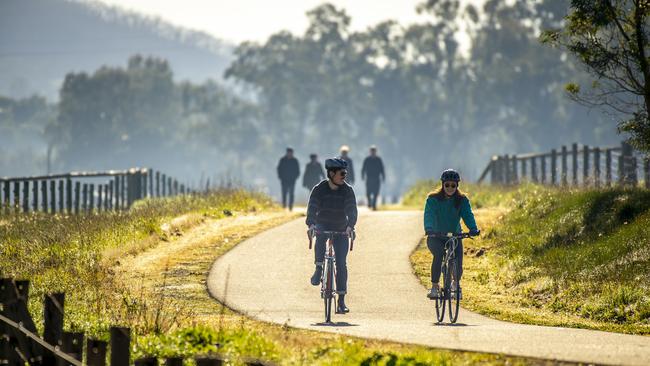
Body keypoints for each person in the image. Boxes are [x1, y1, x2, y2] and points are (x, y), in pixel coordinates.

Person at [306, 157, 358, 314]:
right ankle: (318, 267)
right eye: (341, 173)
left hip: (341, 227)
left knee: (341, 263)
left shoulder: (348, 190)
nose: (344, 176)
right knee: (320, 236)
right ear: (331, 173)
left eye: (345, 173)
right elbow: (312, 208)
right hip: (323, 224)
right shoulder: (319, 189)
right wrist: (311, 224)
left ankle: (341, 302)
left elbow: (351, 210)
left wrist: (350, 226)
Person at [423, 169, 480, 300]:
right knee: (438, 255)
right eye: (447, 185)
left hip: (455, 235)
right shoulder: (433, 199)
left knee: (458, 260)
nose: (450, 188)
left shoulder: (462, 200)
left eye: (453, 185)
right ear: (442, 185)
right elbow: (429, 214)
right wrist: (429, 228)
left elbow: (467, 214)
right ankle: (435, 287)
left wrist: (473, 228)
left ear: (457, 186)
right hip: (435, 236)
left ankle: (455, 284)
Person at [361, 145, 385, 210]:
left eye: (374, 151)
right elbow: (363, 168)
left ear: (376, 151)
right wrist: (362, 176)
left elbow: (382, 168)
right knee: (368, 192)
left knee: (376, 192)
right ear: (370, 151)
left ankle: (374, 205)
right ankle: (369, 203)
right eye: (372, 151)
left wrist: (383, 176)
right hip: (369, 178)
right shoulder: (367, 159)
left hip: (377, 178)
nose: (373, 152)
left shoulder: (378, 159)